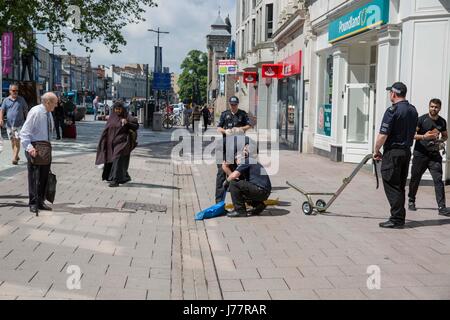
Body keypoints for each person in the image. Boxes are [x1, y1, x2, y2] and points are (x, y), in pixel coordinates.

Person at [374, 82, 418, 229]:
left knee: (391, 183)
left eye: (390, 93)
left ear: (393, 93)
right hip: (406, 152)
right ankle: (399, 217)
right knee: (399, 185)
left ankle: (397, 219)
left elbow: (383, 135)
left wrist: (376, 150)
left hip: (393, 153)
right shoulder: (413, 110)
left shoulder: (392, 111)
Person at [408, 98, 450, 216]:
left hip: (434, 156)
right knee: (415, 178)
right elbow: (412, 135)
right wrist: (424, 137)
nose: (434, 109)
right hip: (420, 154)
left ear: (440, 108)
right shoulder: (422, 119)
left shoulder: (442, 122)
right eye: (432, 106)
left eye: (436, 107)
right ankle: (411, 200)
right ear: (429, 107)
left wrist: (441, 141)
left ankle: (442, 207)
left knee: (438, 180)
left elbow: (445, 136)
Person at [20, 92, 57, 214]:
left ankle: (40, 201)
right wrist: (30, 148)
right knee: (34, 177)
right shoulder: (36, 112)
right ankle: (33, 203)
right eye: (54, 103)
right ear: (47, 102)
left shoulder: (48, 113)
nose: (56, 105)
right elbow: (24, 132)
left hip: (45, 149)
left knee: (44, 177)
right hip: (35, 148)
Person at [215, 96, 252, 203]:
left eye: (235, 104)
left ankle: (241, 201)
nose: (233, 106)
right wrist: (225, 131)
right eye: (231, 104)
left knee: (239, 173)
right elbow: (218, 127)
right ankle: (219, 203)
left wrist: (241, 129)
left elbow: (250, 125)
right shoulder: (225, 114)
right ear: (229, 104)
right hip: (225, 146)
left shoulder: (242, 114)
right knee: (221, 174)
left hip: (238, 147)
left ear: (238, 104)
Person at [95, 101, 139, 188]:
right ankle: (124, 177)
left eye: (119, 109)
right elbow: (107, 129)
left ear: (122, 109)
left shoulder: (127, 116)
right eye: (116, 109)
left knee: (117, 158)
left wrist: (127, 122)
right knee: (113, 159)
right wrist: (103, 140)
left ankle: (115, 180)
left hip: (122, 142)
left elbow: (136, 126)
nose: (117, 111)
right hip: (111, 142)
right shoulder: (112, 117)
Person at [223, 147, 272, 218]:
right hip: (264, 192)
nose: (236, 163)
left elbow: (234, 176)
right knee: (240, 187)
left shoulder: (246, 161)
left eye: (236, 160)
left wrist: (226, 182)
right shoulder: (251, 162)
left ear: (239, 158)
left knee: (233, 183)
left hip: (260, 190)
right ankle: (258, 205)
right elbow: (240, 182)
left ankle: (240, 211)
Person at [0, 83, 29, 165]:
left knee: (17, 141)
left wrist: (28, 120)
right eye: (13, 90)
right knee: (13, 141)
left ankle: (14, 158)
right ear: (10, 91)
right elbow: (2, 110)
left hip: (19, 125)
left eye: (17, 90)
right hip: (9, 125)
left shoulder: (21, 99)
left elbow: (26, 110)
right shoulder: (6, 100)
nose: (15, 92)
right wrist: (1, 119)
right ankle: (16, 155)